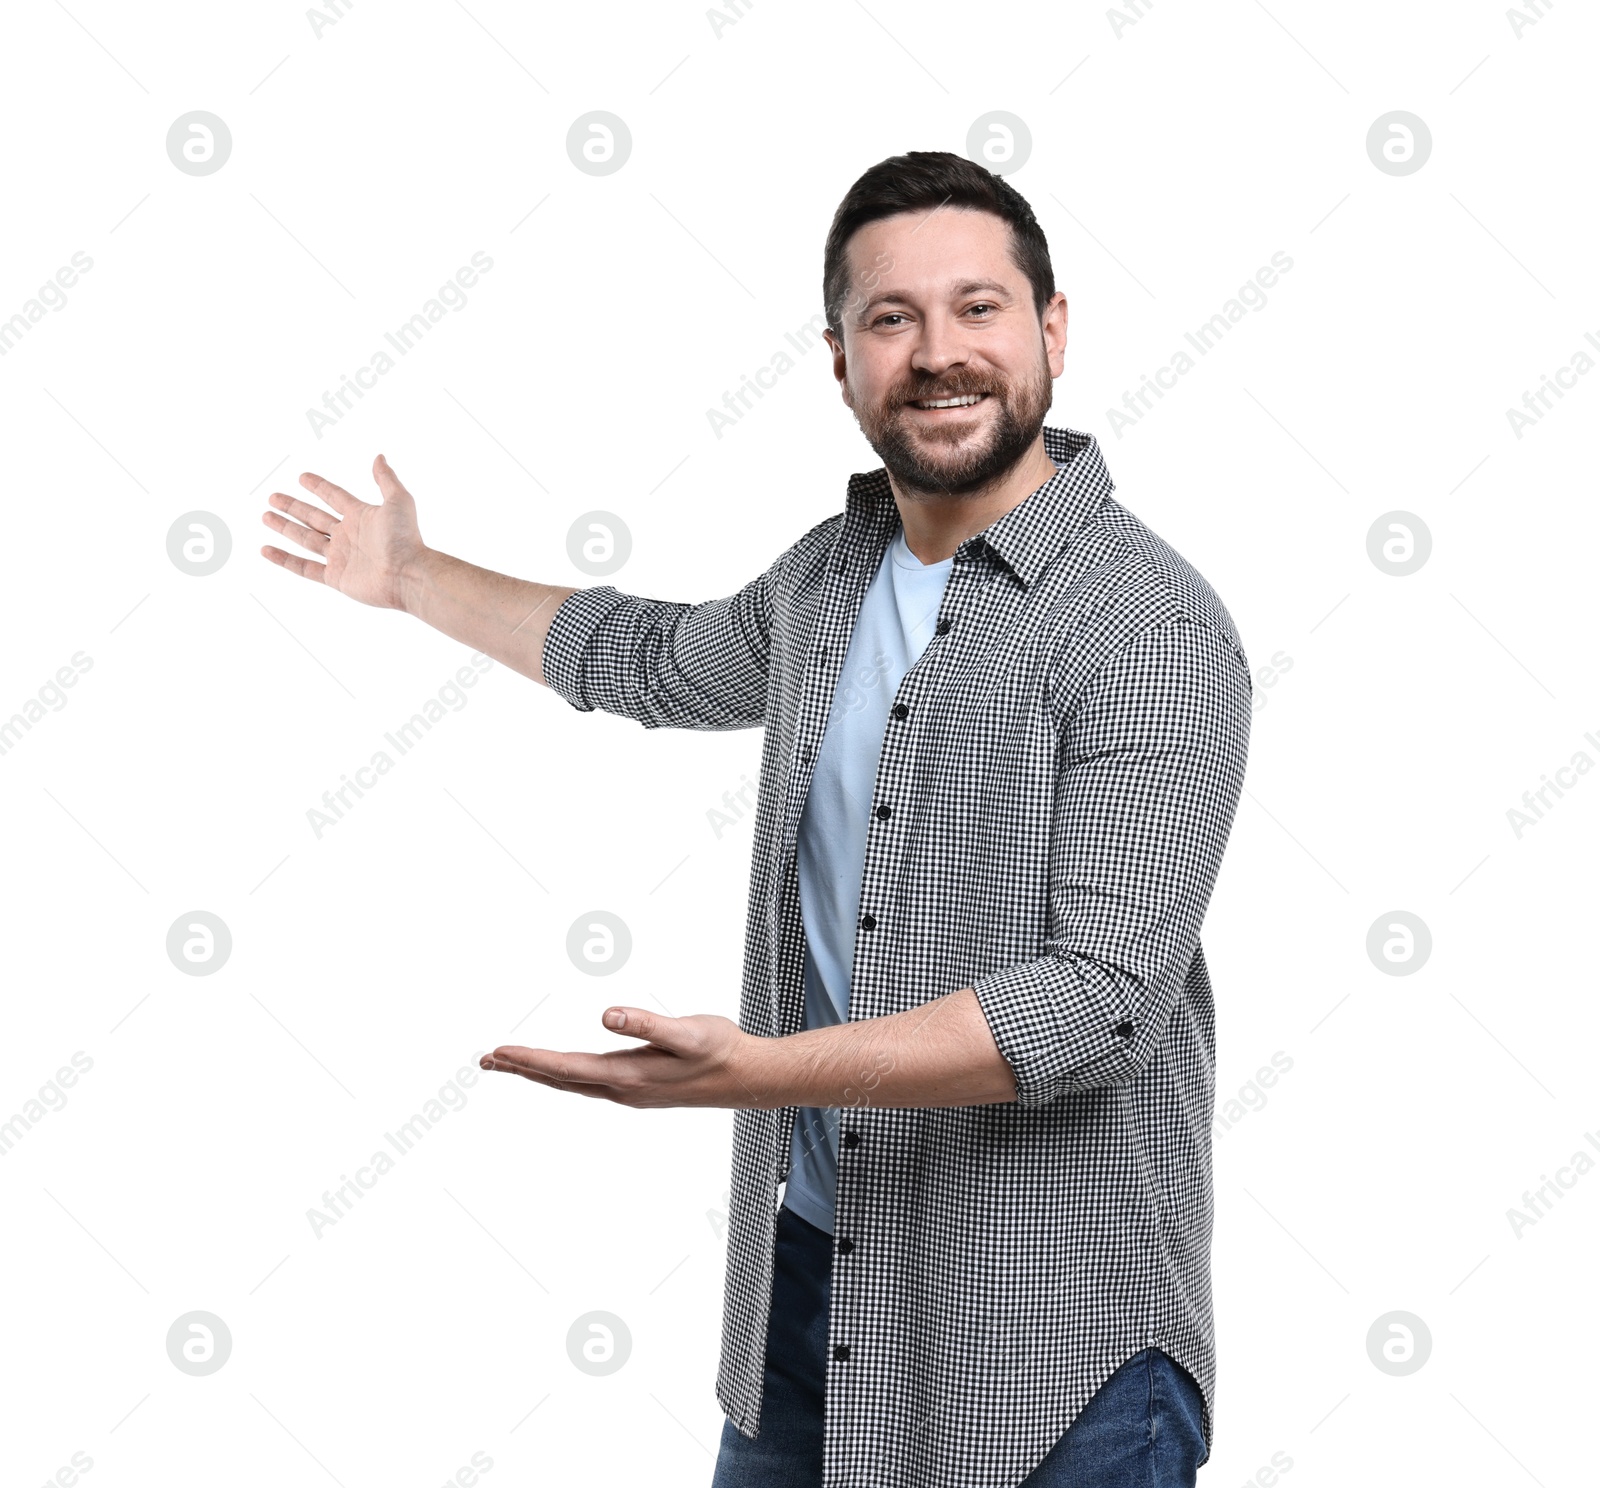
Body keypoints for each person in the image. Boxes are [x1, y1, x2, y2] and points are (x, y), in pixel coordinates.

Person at [261, 149, 1251, 1488]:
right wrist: (409, 575)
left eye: (979, 309)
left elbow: (1097, 1004)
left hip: (1050, 1338)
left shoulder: (1152, 626)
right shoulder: (829, 582)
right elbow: (648, 660)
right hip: (812, 1299)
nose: (938, 353)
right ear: (839, 362)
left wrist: (758, 1074)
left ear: (1052, 333)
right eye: (890, 319)